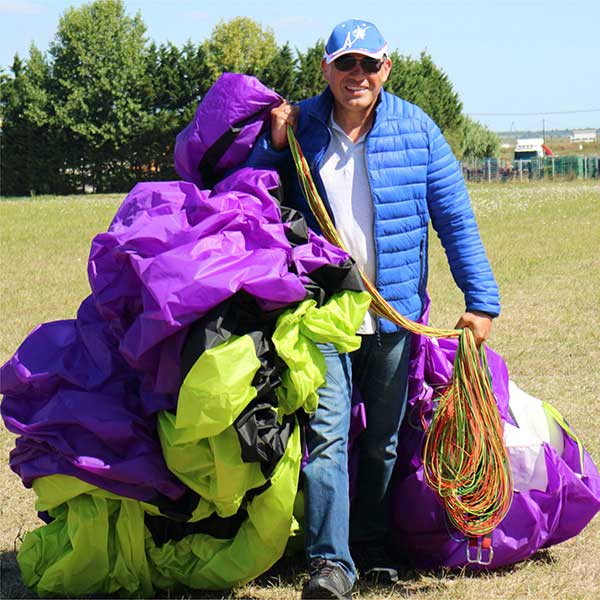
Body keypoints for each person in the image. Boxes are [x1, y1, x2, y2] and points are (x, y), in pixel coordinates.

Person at [246, 18, 500, 600]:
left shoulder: (418, 130)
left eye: (368, 64)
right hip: (321, 313)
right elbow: (249, 195)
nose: (356, 75)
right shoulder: (299, 126)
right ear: (326, 68)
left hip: (394, 316)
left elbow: (455, 221)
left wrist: (480, 302)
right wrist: (273, 145)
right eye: (345, 64)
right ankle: (329, 564)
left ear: (386, 68)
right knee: (328, 435)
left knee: (383, 437)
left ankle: (372, 545)